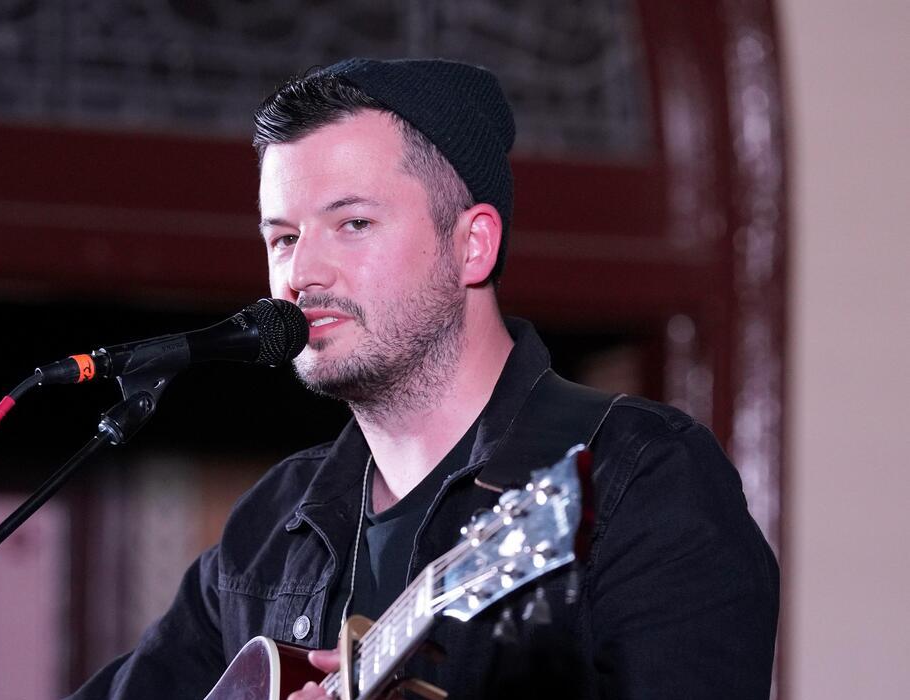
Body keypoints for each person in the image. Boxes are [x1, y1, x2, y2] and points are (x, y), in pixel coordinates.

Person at [68, 58, 779, 699]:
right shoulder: (272, 529)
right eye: (283, 237)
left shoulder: (638, 479)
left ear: (473, 245)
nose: (301, 272)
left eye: (353, 223)